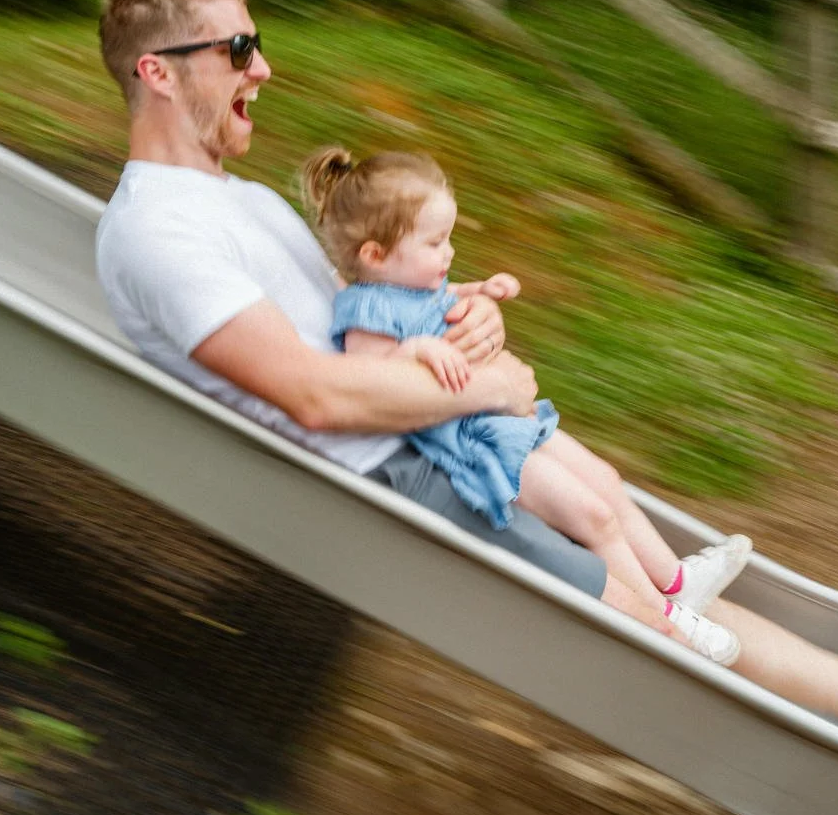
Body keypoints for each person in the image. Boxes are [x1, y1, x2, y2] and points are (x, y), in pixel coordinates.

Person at [90, 0, 838, 789]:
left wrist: (461, 321)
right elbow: (310, 393)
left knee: (656, 589)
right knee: (649, 635)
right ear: (158, 73)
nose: (265, 65)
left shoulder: (242, 204)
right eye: (237, 50)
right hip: (390, 487)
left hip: (429, 440)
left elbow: (354, 326)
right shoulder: (159, 231)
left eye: (255, 43)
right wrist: (493, 387)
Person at [300, 145, 754, 638]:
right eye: (435, 243)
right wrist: (418, 351)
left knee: (604, 479)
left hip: (510, 416)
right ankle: (668, 621)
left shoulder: (412, 283)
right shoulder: (366, 310)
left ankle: (677, 580)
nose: (448, 253)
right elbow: (367, 375)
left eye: (448, 238)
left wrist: (483, 290)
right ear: (376, 255)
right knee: (592, 517)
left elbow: (445, 297)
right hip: (477, 442)